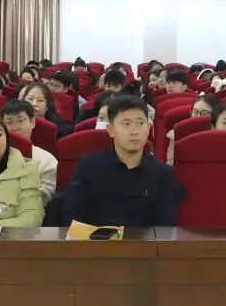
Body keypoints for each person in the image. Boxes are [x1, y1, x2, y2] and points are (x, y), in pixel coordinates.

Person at [63, 95, 177, 226]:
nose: (134, 131)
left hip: (146, 239)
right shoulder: (88, 166)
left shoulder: (163, 174)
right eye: (126, 124)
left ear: (148, 129)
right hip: (95, 238)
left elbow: (164, 227)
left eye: (140, 123)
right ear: (111, 130)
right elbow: (73, 219)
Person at [0, 99, 58, 204]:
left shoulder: (47, 160)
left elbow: (46, 196)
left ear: (32, 122)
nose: (15, 128)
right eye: (9, 122)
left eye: (20, 121)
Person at [165, 93, 219, 164]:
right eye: (195, 112)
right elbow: (170, 163)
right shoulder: (178, 133)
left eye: (205, 113)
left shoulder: (220, 134)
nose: (198, 116)